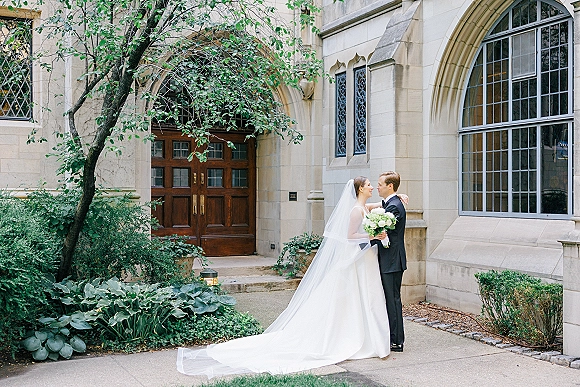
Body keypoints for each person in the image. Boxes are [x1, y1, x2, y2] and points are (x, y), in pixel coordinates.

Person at [176, 177, 390, 378]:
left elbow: (373, 207)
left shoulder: (362, 207)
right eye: (370, 184)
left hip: (360, 261)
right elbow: (349, 236)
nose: (373, 187)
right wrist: (371, 235)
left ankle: (362, 336)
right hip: (354, 261)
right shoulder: (355, 211)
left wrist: (396, 199)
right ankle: (346, 338)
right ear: (360, 188)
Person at [373, 171, 407, 352]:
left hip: (392, 260)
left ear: (390, 186)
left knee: (392, 300)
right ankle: (393, 337)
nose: (377, 186)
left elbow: (382, 234)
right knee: (390, 299)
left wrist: (362, 240)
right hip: (390, 259)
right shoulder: (392, 202)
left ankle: (396, 341)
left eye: (380, 184)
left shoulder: (394, 207)